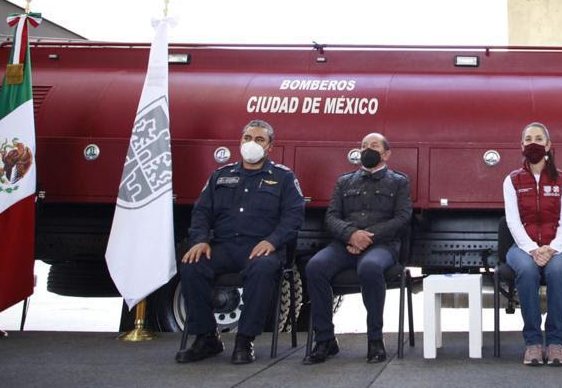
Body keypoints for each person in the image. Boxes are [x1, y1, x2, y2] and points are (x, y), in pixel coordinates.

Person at [176, 119, 305, 364]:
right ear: (240, 142)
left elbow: (294, 216)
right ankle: (206, 337)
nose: (251, 144)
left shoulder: (283, 178)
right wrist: (200, 240)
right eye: (247, 138)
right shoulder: (221, 175)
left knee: (263, 269)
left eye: (259, 139)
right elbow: (201, 212)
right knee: (192, 265)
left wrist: (273, 241)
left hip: (260, 248)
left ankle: (245, 340)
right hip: (223, 246)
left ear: (269, 147)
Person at [303, 132, 412, 365]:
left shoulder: (398, 182)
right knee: (315, 267)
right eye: (363, 146)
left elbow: (403, 218)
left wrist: (367, 238)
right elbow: (331, 217)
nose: (367, 150)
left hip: (382, 245)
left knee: (370, 268)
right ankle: (325, 340)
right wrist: (351, 235)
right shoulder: (344, 181)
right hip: (345, 243)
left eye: (373, 145)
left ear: (386, 154)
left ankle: (375, 340)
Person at [503, 122, 562, 366]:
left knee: (556, 270)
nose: (533, 142)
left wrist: (552, 248)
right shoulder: (512, 180)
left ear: (548, 145)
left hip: (558, 248)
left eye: (538, 138)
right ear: (521, 145)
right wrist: (533, 249)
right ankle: (532, 343)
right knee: (526, 269)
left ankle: (556, 343)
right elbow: (513, 222)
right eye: (528, 138)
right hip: (522, 248)